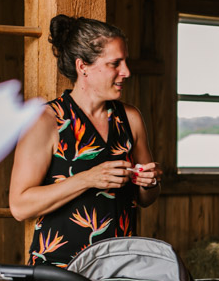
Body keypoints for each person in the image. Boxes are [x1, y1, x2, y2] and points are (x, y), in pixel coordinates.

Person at [9, 15, 161, 267]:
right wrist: (88, 179)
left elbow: (147, 198)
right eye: (115, 63)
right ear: (83, 67)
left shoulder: (130, 118)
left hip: (119, 267)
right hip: (60, 269)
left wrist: (150, 181)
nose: (126, 72)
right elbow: (19, 206)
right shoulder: (46, 120)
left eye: (125, 62)